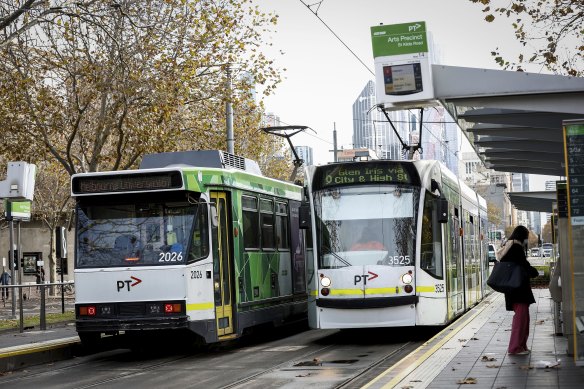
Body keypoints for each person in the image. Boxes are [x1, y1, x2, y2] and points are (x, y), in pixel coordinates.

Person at [498, 225, 539, 355]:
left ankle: (521, 346)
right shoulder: (516, 248)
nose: (527, 239)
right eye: (526, 237)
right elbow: (524, 265)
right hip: (518, 290)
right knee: (521, 319)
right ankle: (515, 347)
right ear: (522, 236)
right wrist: (534, 272)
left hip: (515, 289)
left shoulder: (510, 246)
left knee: (523, 318)